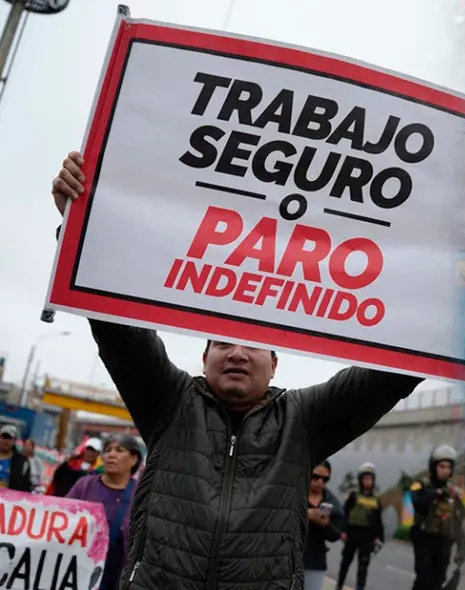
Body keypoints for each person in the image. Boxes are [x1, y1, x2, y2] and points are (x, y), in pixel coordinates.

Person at [49, 150, 424, 589]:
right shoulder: (169, 401)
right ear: (203, 359)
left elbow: (388, 377)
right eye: (222, 343)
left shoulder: (304, 419)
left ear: (276, 363)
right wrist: (79, 226)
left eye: (253, 346)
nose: (237, 353)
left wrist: (436, 282)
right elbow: (117, 329)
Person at [66, 434, 143, 590]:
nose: (111, 455)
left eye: (119, 450)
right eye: (108, 450)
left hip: (117, 579)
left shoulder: (140, 494)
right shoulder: (84, 486)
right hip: (77, 574)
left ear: (134, 459)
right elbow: (62, 519)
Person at [410, 445, 465, 590]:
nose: (445, 471)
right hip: (424, 539)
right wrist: (437, 493)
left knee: (438, 581)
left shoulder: (453, 492)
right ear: (434, 466)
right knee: (424, 578)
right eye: (442, 466)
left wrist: (462, 549)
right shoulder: (422, 485)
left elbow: (459, 520)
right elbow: (418, 503)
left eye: (448, 467)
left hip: (444, 542)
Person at [337, 463, 384, 590]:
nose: (368, 482)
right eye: (365, 479)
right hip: (352, 533)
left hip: (367, 536)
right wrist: (343, 531)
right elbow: (345, 513)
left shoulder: (376, 499)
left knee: (363, 566)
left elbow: (378, 520)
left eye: (370, 479)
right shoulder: (353, 495)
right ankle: (339, 585)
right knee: (346, 562)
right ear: (360, 480)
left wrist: (379, 537)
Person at [303, 461, 344, 590]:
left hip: (315, 560)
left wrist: (325, 524)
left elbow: (336, 534)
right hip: (289, 557)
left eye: (325, 479)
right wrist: (306, 515)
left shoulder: (331, 503)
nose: (320, 481)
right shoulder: (295, 494)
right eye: (315, 477)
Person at [0, 424, 33, 492]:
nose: (6, 441)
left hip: (8, 501)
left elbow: (26, 487)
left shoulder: (22, 461)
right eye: (4, 437)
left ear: (14, 440)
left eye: (9, 438)